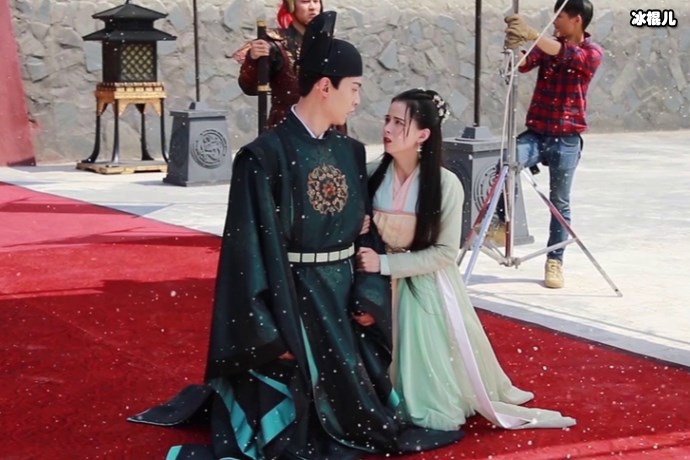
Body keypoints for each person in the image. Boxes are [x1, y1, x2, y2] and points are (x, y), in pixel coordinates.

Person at [129, 13, 462, 460]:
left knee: (362, 416)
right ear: (325, 87)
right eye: (354, 88)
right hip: (291, 299)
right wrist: (268, 332)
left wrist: (368, 295)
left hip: (341, 301)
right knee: (294, 432)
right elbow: (246, 254)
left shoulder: (350, 152)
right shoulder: (263, 157)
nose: (358, 100)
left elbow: (366, 237)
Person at [357, 88, 576, 431]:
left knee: (431, 391)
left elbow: (445, 253)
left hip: (425, 284)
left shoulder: (446, 184)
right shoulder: (372, 173)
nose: (388, 129)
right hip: (377, 285)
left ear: (423, 135)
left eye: (399, 123)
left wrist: (386, 265)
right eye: (387, 119)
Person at [494, 0, 603, 288]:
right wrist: (513, 48)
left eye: (560, 16)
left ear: (577, 20)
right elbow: (522, 65)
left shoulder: (592, 52)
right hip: (537, 134)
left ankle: (555, 261)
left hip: (566, 139)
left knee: (559, 203)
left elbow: (568, 55)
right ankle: (501, 223)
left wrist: (532, 33)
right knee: (505, 163)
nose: (555, 21)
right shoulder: (547, 45)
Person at [233, 0, 322, 129]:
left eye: (316, 1)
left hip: (326, 128)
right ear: (291, 5)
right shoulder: (275, 44)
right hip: (287, 128)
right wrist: (254, 59)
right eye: (305, 1)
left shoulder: (329, 43)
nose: (313, 7)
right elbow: (249, 87)